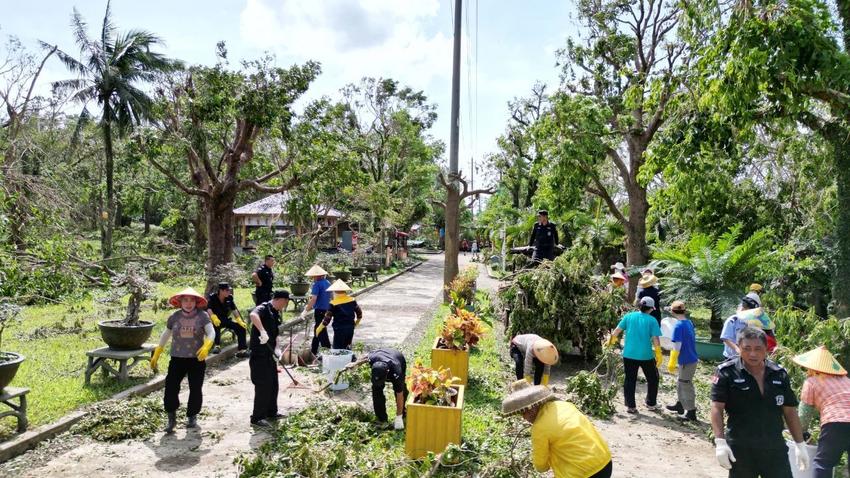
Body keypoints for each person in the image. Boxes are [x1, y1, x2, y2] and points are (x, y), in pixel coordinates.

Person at [710, 327, 809, 478]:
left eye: (758, 349)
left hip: (774, 449)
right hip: (741, 449)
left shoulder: (779, 374)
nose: (753, 354)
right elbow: (716, 408)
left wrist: (800, 444)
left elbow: (790, 411)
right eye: (747, 348)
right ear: (739, 348)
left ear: (766, 349)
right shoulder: (727, 372)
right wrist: (720, 442)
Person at [501, 380, 613, 478]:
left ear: (534, 407)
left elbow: (541, 466)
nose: (524, 417)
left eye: (525, 412)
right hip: (605, 462)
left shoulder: (539, 428)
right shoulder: (565, 405)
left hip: (584, 473)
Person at [150, 287, 214, 433]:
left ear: (196, 302)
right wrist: (158, 351)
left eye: (192, 300)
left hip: (196, 359)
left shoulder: (203, 316)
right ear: (180, 302)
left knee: (195, 388)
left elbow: (211, 332)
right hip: (177, 358)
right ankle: (171, 417)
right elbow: (166, 333)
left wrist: (207, 345)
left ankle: (192, 415)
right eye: (185, 300)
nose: (189, 303)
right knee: (171, 387)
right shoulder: (174, 317)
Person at [792, 346, 850, 478]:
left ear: (813, 368)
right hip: (840, 420)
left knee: (823, 463)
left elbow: (804, 415)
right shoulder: (847, 381)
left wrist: (800, 433)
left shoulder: (811, 382)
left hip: (836, 422)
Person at [606, 296, 663, 414]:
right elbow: (655, 338)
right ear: (651, 309)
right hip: (645, 356)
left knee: (630, 379)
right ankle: (651, 403)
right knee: (653, 378)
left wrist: (610, 341)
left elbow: (616, 331)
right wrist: (658, 353)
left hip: (629, 354)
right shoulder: (652, 320)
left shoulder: (628, 316)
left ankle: (631, 406)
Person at [248, 290, 290, 427]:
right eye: (285, 303)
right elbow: (253, 315)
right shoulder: (264, 308)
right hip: (259, 354)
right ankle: (257, 417)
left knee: (273, 384)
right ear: (280, 300)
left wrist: (277, 349)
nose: (284, 306)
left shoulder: (275, 312)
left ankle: (271, 412)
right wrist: (262, 331)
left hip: (270, 354)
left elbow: (275, 333)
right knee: (263, 385)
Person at [344, 348, 408, 430]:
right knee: (376, 390)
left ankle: (402, 412)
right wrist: (355, 364)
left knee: (401, 388)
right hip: (380, 354)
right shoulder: (373, 358)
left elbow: (400, 395)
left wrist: (399, 417)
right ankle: (381, 419)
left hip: (398, 358)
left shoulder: (396, 370)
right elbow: (365, 357)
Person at [665, 300, 699, 421]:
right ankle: (680, 405)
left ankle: (691, 411)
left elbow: (677, 346)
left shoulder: (678, 326)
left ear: (673, 312)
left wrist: (672, 361)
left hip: (686, 360)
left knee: (685, 384)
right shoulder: (688, 322)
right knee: (681, 382)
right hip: (690, 358)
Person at [205, 282, 248, 358]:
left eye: (229, 290)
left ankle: (241, 350)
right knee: (216, 325)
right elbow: (209, 309)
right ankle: (217, 346)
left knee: (241, 327)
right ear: (221, 291)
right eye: (227, 290)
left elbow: (234, 310)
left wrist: (239, 320)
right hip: (215, 320)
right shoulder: (213, 297)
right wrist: (214, 317)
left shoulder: (229, 298)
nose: (229, 292)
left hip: (225, 319)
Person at [317, 279, 363, 351]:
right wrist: (355, 324)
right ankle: (350, 361)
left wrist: (319, 329)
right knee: (347, 349)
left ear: (334, 291)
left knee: (338, 350)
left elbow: (327, 320)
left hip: (339, 330)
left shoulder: (333, 303)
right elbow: (360, 315)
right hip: (350, 328)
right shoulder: (352, 300)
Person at [303, 265, 332, 357]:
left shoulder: (317, 284)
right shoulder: (327, 282)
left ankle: (327, 349)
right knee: (318, 329)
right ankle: (314, 350)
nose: (312, 278)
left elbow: (314, 299)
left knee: (321, 330)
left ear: (317, 276)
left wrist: (306, 309)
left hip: (319, 310)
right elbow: (331, 296)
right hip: (327, 309)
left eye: (313, 276)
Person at [720, 295, 760, 359]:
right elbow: (726, 338)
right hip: (731, 357)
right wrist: (738, 350)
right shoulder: (733, 320)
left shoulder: (754, 321)